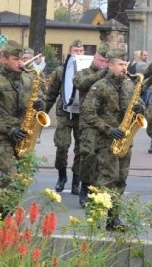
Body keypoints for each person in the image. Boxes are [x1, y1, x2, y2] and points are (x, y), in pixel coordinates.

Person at [0, 41, 46, 214]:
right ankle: (1, 214)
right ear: (3, 59)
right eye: (16, 59)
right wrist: (9, 129)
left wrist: (40, 103)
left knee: (22, 179)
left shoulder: (28, 78)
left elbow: (40, 98)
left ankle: (7, 211)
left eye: (22, 59)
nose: (21, 63)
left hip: (24, 135)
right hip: (1, 137)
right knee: (10, 176)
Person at [80, 49, 145, 231]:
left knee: (121, 179)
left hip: (124, 139)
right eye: (120, 65)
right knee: (108, 178)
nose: (124, 68)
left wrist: (141, 108)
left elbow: (139, 105)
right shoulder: (99, 86)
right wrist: (108, 130)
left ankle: (113, 219)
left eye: (125, 64)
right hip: (105, 140)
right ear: (110, 65)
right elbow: (88, 113)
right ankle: (95, 216)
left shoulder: (129, 84)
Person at [44, 39, 86, 194]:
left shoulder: (88, 71)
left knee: (81, 149)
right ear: (70, 52)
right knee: (62, 146)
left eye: (81, 51)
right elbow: (51, 94)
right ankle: (62, 176)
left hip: (82, 114)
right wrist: (42, 113)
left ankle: (76, 180)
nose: (79, 53)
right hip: (65, 112)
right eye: (76, 50)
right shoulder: (61, 71)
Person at [72, 43, 110, 205]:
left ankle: (98, 188)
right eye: (100, 60)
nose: (102, 64)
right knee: (88, 154)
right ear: (94, 57)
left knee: (104, 158)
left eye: (106, 62)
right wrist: (101, 73)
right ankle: (84, 186)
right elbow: (81, 84)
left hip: (107, 122)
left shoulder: (111, 75)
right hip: (88, 121)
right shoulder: (83, 72)